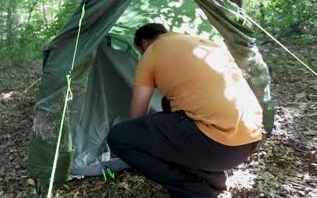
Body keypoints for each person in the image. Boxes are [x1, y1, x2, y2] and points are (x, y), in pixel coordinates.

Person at [107, 23, 263, 197]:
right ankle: (213, 178)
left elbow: (137, 115)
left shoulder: (151, 53)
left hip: (218, 146)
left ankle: (195, 190)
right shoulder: (204, 42)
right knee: (168, 104)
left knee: (119, 137)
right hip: (250, 138)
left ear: (144, 43)